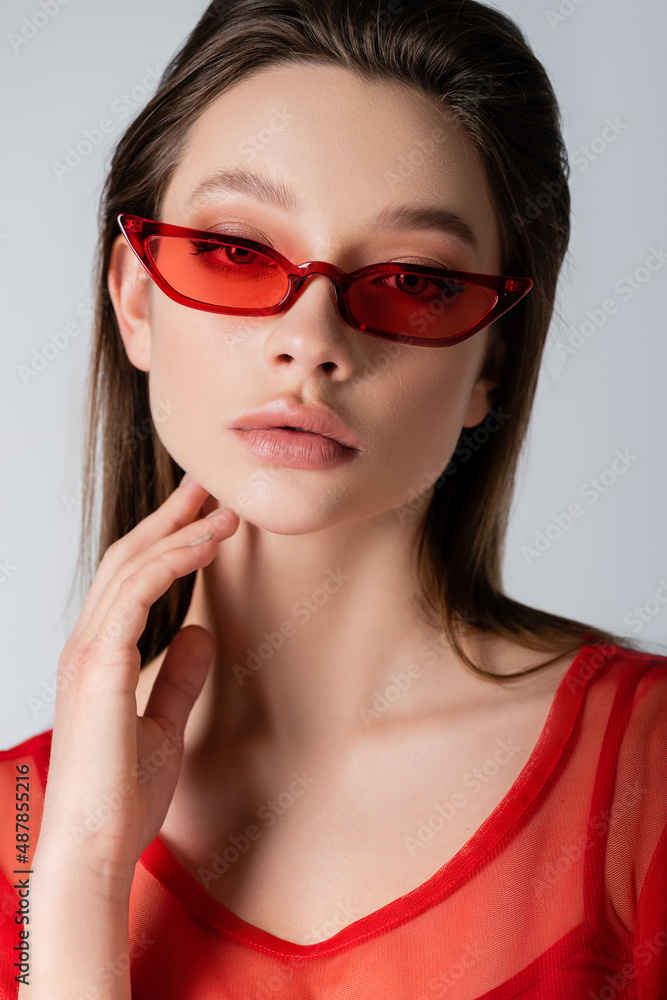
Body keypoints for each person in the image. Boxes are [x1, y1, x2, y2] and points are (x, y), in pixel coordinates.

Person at [1, 0, 665, 997]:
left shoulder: (646, 776)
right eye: (233, 249)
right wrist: (80, 878)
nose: (313, 337)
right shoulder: (17, 817)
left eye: (414, 278)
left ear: (494, 360)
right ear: (135, 298)